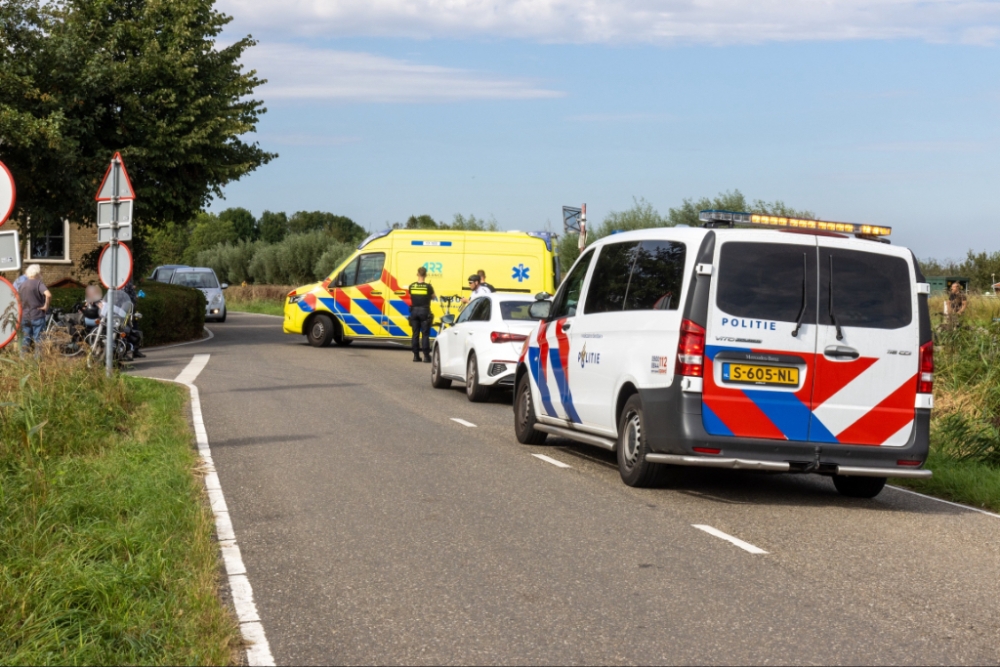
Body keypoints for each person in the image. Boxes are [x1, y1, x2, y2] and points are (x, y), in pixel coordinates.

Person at [17, 264, 51, 355]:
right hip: (37, 315)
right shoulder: (38, 283)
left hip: (25, 316)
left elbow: (17, 299)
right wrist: (46, 306)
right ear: (37, 273)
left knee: (25, 340)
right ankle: (38, 363)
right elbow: (48, 294)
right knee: (38, 341)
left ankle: (22, 362)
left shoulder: (22, 285)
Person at [408, 266, 436, 363]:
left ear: (417, 274)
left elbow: (410, 296)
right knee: (425, 334)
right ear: (426, 275)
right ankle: (426, 356)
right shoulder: (428, 287)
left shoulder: (412, 286)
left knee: (415, 334)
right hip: (424, 311)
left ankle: (416, 356)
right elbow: (433, 297)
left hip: (414, 311)